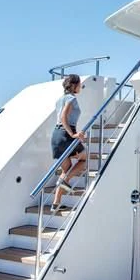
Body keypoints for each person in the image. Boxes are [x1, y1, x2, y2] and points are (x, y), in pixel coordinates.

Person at [50, 74, 87, 212]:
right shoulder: (71, 98)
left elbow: (60, 118)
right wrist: (73, 134)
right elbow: (63, 117)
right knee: (84, 159)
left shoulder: (59, 99)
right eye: (80, 84)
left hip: (56, 135)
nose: (81, 86)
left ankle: (55, 203)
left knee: (66, 170)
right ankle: (65, 181)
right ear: (74, 85)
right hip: (66, 134)